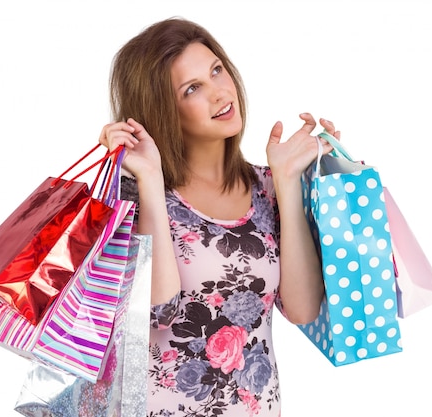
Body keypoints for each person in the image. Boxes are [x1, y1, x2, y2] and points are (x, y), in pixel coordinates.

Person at [99, 16, 341, 417]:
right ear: (164, 111)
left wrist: (285, 179)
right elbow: (157, 312)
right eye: (192, 88)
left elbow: (302, 309)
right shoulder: (133, 193)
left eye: (216, 70)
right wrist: (150, 179)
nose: (219, 93)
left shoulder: (266, 187)